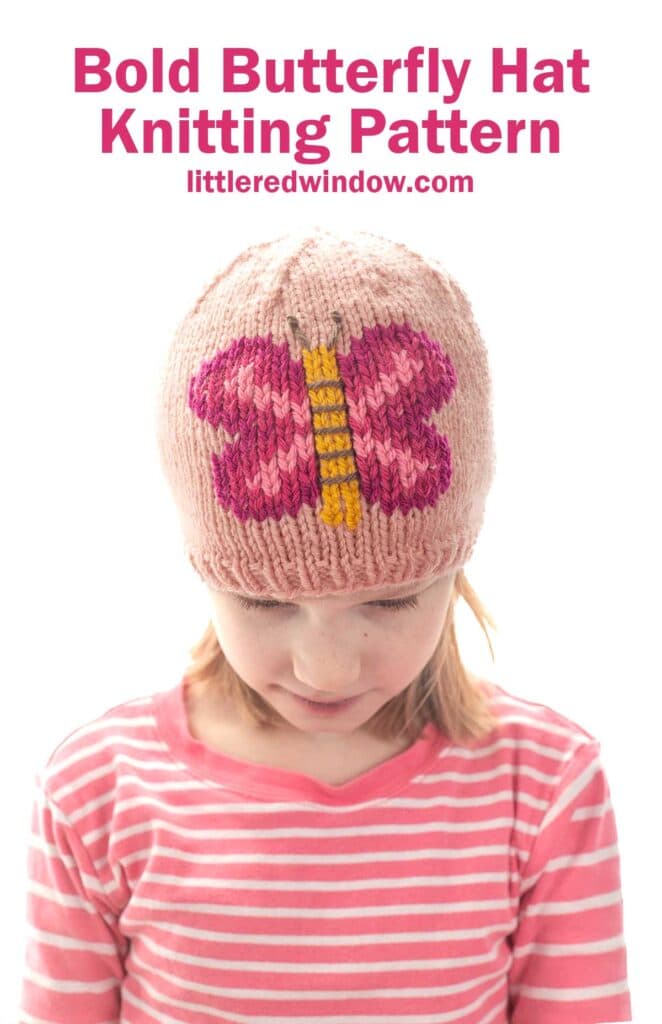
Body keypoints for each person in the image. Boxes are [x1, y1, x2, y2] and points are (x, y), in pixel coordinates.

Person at [19, 228, 632, 1023]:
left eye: (391, 599)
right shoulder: (96, 793)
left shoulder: (545, 788)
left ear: (456, 571)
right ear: (206, 573)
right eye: (266, 603)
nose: (327, 669)